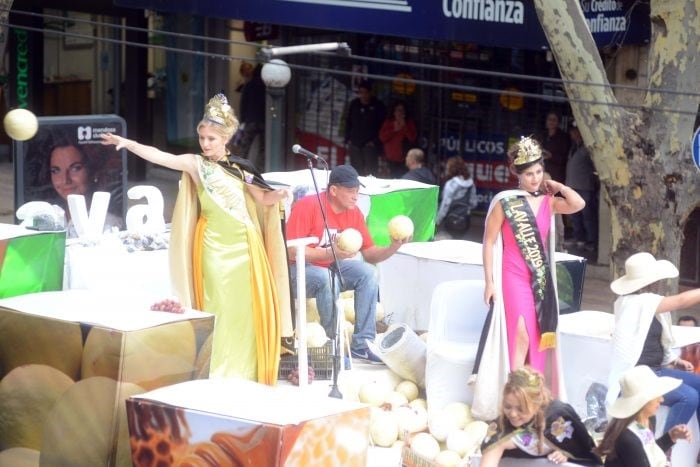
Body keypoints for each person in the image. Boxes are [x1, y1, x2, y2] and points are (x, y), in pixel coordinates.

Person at [101, 93, 292, 385]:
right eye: (202, 137)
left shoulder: (241, 168)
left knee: (246, 312)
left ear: (225, 138)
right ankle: (214, 371)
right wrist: (128, 144)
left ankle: (247, 373)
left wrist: (278, 196)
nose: (205, 143)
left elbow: (263, 197)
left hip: (245, 248)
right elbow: (161, 157)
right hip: (213, 247)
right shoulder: (195, 164)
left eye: (211, 138)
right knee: (217, 307)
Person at [472, 136, 585, 420]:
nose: (534, 179)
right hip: (512, 276)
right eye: (529, 174)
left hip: (540, 281)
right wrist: (489, 281)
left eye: (538, 172)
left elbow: (578, 203)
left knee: (537, 338)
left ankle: (531, 398)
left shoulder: (549, 201)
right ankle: (512, 394)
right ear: (518, 175)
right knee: (520, 334)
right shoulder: (505, 202)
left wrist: (557, 186)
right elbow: (488, 242)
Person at [285, 164, 410, 363]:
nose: (355, 196)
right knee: (325, 278)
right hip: (295, 271)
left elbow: (369, 255)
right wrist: (330, 252)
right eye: (351, 191)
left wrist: (394, 246)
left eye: (357, 192)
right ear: (333, 190)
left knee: (367, 273)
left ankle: (363, 345)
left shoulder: (354, 214)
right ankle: (332, 346)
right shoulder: (307, 205)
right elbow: (291, 250)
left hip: (329, 268)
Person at [607, 252, 700, 435]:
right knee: (689, 397)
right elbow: (681, 301)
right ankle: (664, 449)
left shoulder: (643, 303)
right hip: (639, 376)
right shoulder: (635, 302)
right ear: (649, 282)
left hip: (655, 370)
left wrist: (674, 360)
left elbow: (654, 340)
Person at [480, 366, 601, 467]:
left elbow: (584, 454)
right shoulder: (501, 426)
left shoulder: (559, 417)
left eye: (521, 409)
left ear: (537, 404)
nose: (512, 414)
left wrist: (565, 455)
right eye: (507, 406)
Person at [595, 365, 691, 466]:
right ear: (642, 401)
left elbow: (647, 454)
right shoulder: (628, 437)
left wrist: (671, 436)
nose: (661, 399)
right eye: (656, 395)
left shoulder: (648, 420)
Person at [43, 132, 123, 237]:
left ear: (92, 170)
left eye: (75, 168)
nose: (65, 179)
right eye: (56, 170)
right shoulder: (46, 218)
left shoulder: (111, 225)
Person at [564, 121, 597, 251]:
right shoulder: (574, 146)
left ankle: (591, 241)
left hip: (585, 186)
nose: (572, 133)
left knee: (587, 215)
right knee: (574, 215)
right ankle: (579, 238)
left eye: (575, 131)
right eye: (572, 131)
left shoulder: (588, 147)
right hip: (573, 185)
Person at [344, 80, 386, 176]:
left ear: (370, 93)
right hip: (355, 144)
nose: (363, 95)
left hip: (370, 146)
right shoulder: (354, 104)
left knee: (372, 173)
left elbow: (383, 126)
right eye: (361, 93)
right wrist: (348, 139)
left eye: (366, 92)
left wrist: (375, 142)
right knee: (356, 172)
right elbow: (348, 122)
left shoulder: (378, 106)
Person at [435, 156, 477, 240]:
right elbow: (474, 203)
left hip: (449, 222)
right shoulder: (471, 184)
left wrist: (437, 221)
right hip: (464, 222)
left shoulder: (450, 184)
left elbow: (445, 205)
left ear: (451, 169)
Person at [235, 63, 266, 169]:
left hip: (250, 121)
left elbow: (243, 105)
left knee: (245, 147)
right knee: (263, 149)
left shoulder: (248, 85)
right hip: (263, 122)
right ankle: (261, 170)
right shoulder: (265, 86)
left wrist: (242, 121)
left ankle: (240, 168)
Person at [379, 101, 417, 178]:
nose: (400, 113)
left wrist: (404, 127)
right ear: (394, 112)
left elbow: (412, 138)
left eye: (402, 110)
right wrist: (394, 130)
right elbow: (382, 137)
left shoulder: (409, 123)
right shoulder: (389, 122)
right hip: (390, 159)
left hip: (404, 159)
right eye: (398, 110)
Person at [536, 111, 570, 183]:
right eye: (549, 119)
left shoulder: (563, 137)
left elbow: (565, 158)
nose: (551, 122)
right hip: (541, 170)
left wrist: (551, 156)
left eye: (554, 120)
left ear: (558, 122)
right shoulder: (542, 135)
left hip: (556, 174)